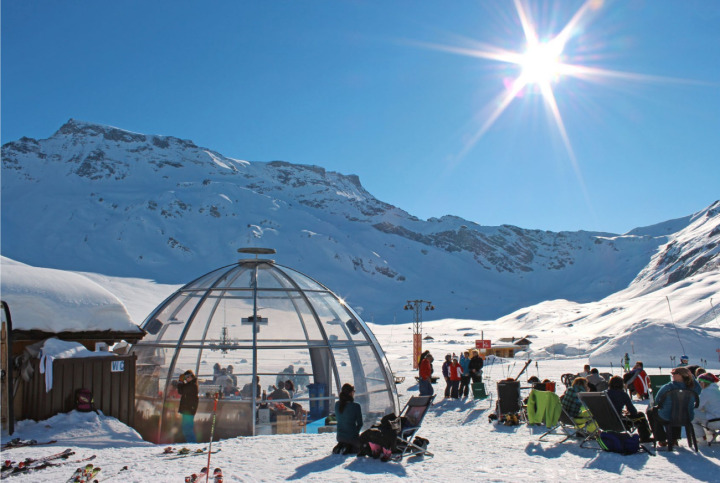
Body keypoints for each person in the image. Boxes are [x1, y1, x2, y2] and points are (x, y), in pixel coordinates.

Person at [646, 367, 702, 447]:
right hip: (687, 416)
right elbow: (699, 389)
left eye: (674, 373)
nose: (672, 375)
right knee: (678, 410)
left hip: (667, 416)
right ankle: (674, 439)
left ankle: (661, 439)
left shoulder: (668, 387)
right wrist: (691, 376)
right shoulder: (692, 388)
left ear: (681, 375)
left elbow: (657, 400)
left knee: (652, 412)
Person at [606, 376, 652, 442]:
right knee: (640, 415)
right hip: (618, 423)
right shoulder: (622, 394)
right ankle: (645, 437)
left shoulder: (604, 394)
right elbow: (633, 412)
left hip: (605, 422)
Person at [334, 383, 363, 453]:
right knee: (363, 446)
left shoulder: (337, 404)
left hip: (340, 437)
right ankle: (349, 447)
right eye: (353, 392)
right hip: (352, 437)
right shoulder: (356, 406)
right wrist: (355, 433)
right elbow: (360, 423)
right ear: (350, 393)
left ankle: (342, 445)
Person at [692, 373, 720, 446]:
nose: (699, 384)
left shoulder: (706, 392)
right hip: (716, 418)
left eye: (699, 382)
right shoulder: (717, 390)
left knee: (692, 414)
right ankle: (711, 434)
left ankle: (701, 439)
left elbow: (697, 406)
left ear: (704, 382)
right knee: (704, 415)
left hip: (715, 422)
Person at [177, 369, 199, 443]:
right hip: (187, 410)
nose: (186, 378)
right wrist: (181, 381)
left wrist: (180, 382)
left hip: (189, 410)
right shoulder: (190, 385)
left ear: (191, 376)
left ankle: (192, 443)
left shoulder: (192, 385)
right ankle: (191, 443)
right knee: (186, 429)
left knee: (187, 429)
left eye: (188, 377)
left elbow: (182, 390)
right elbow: (181, 390)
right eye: (185, 377)